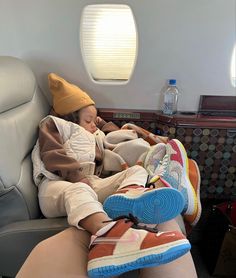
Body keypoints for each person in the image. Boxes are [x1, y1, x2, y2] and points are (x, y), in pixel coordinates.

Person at [26, 73, 198, 277]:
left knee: (137, 170)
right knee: (80, 188)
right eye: (88, 120)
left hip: (90, 184)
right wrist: (76, 176)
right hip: (55, 187)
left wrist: (99, 123)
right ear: (71, 116)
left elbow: (108, 133)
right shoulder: (55, 124)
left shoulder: (92, 134)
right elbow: (52, 153)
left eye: (94, 120)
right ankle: (107, 236)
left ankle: (133, 194)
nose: (93, 125)